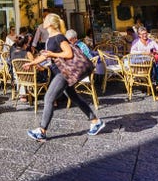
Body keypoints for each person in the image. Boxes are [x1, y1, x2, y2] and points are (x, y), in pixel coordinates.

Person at [23, 13, 105, 141]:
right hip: (61, 71)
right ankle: (95, 121)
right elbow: (45, 55)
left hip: (64, 72)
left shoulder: (59, 37)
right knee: (74, 97)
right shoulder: (51, 37)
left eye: (45, 19)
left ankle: (42, 131)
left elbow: (69, 53)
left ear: (50, 23)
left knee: (48, 97)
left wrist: (52, 53)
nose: (43, 20)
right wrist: (32, 63)